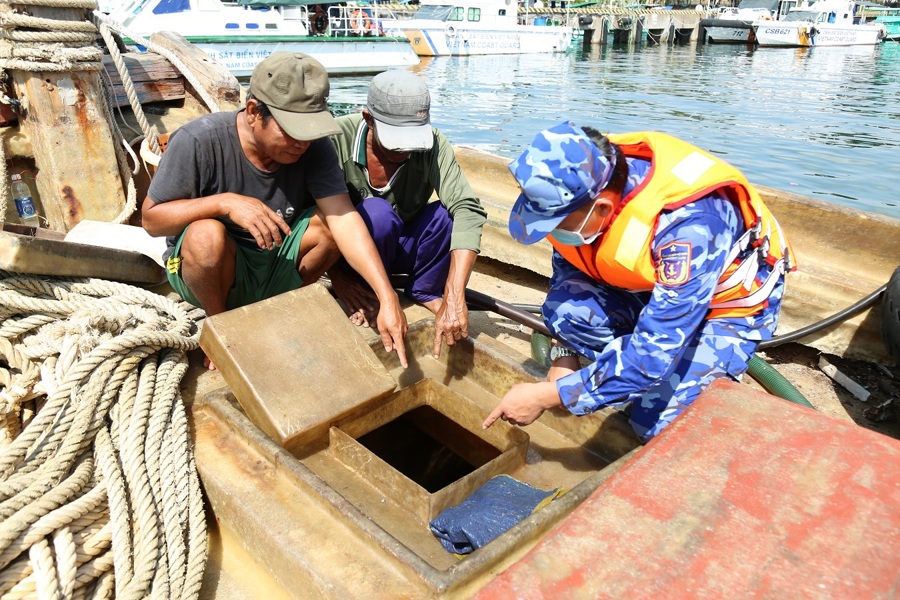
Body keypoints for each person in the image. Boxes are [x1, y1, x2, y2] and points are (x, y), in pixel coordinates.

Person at [483, 121, 795, 442]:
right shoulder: (582, 178)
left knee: (658, 426)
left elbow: (653, 353)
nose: (550, 233)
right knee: (569, 313)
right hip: (654, 288)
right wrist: (565, 353)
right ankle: (625, 375)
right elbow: (571, 268)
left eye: (554, 223)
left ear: (602, 208)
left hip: (725, 306)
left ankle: (698, 380)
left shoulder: (689, 228)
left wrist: (549, 396)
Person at [141, 52, 408, 368]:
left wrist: (388, 296)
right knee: (205, 233)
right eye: (292, 130)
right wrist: (224, 203)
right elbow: (151, 220)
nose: (302, 144)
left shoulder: (315, 147)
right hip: (212, 272)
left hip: (274, 264)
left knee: (331, 223)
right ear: (254, 112)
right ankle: (221, 325)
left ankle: (281, 307)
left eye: (310, 131)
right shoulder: (199, 140)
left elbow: (343, 218)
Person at [328, 70, 487, 358]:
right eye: (395, 139)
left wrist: (454, 294)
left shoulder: (434, 142)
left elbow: (468, 208)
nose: (406, 149)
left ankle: (425, 289)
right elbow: (314, 217)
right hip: (356, 251)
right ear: (368, 119)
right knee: (376, 213)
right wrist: (339, 278)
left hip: (403, 240)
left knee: (449, 214)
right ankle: (370, 290)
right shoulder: (335, 139)